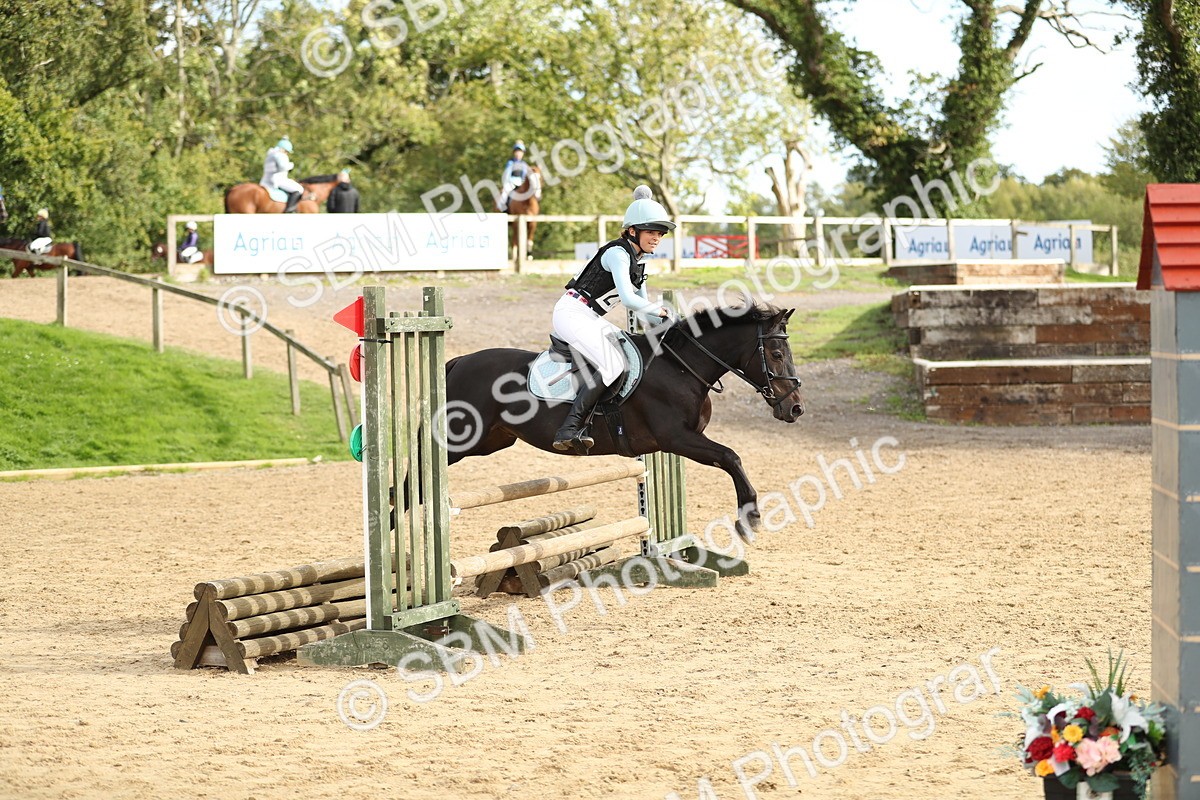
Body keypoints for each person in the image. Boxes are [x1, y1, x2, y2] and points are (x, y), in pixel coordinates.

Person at [551, 185, 675, 453]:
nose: (657, 238)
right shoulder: (617, 253)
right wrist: (662, 311)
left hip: (589, 316)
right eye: (651, 232)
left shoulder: (638, 262)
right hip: (571, 312)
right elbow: (630, 301)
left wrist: (668, 327)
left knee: (631, 353)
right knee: (613, 365)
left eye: (660, 234)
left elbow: (642, 309)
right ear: (632, 231)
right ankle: (569, 428)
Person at [260, 136, 304, 213]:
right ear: (283, 149)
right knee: (299, 189)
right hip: (278, 180)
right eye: (287, 151)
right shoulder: (280, 154)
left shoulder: (270, 154)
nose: (287, 154)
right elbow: (283, 167)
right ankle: (289, 209)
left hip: (265, 180)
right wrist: (291, 165)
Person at [498, 141, 530, 212]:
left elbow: (525, 175)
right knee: (504, 194)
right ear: (514, 153)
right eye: (517, 151)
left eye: (520, 152)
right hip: (511, 183)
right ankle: (503, 209)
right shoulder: (510, 162)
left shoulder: (524, 164)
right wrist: (505, 185)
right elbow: (507, 174)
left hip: (521, 184)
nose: (519, 154)